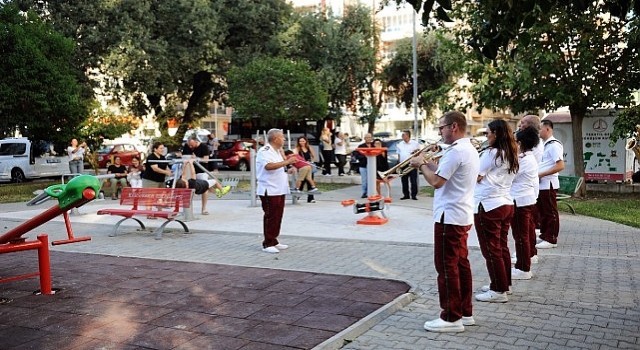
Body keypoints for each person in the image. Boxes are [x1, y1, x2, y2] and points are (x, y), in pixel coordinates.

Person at [409, 111, 479, 333]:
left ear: (454, 127)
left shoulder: (456, 152)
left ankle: (451, 317)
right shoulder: (468, 149)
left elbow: (437, 182)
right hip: (461, 214)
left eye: (441, 127)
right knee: (461, 265)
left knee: (446, 267)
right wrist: (424, 163)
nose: (439, 132)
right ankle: (465, 312)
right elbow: (441, 174)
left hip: (449, 216)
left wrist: (421, 165)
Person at [474, 120, 519, 303]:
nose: (486, 136)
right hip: (505, 202)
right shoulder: (512, 152)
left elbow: (474, 176)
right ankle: (503, 283)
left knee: (491, 250)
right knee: (501, 247)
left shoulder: (491, 153)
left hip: (489, 204)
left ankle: (498, 290)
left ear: (496, 134)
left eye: (488, 133)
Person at [256, 129, 298, 253]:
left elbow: (279, 166)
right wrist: (287, 162)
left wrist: (288, 169)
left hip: (279, 188)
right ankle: (267, 243)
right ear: (275, 139)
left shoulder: (278, 151)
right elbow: (268, 166)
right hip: (269, 189)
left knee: (278, 216)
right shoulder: (265, 151)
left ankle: (274, 240)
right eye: (282, 137)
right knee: (271, 216)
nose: (284, 139)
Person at [510, 127, 540, 280]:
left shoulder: (525, 160)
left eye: (514, 141)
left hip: (521, 200)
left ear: (520, 143)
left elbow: (510, 175)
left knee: (520, 236)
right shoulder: (525, 157)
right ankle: (525, 261)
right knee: (524, 234)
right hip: (522, 199)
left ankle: (523, 268)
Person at [536, 120, 565, 249]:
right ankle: (544, 234)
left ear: (547, 129)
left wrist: (542, 174)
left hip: (548, 183)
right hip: (542, 184)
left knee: (550, 212)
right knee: (543, 212)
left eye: (540, 129)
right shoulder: (545, 145)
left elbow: (560, 165)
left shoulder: (554, 145)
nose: (538, 131)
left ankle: (551, 238)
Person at [180, 136, 212, 214]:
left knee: (205, 188)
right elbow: (184, 156)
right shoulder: (187, 146)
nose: (190, 147)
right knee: (187, 188)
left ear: (196, 141)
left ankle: (204, 208)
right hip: (189, 171)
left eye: (192, 145)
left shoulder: (204, 147)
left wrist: (196, 158)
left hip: (201, 170)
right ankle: (187, 209)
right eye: (189, 145)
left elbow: (206, 160)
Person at [397, 130, 422, 200]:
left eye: (403, 135)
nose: (402, 136)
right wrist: (399, 164)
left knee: (413, 180)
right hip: (403, 164)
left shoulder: (415, 143)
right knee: (404, 180)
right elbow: (399, 154)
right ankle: (406, 195)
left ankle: (414, 195)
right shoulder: (400, 144)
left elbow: (419, 153)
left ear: (408, 135)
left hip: (412, 163)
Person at [294, 136, 318, 203]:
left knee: (309, 181)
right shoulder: (297, 149)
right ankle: (297, 196)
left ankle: (311, 198)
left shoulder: (309, 147)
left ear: (306, 141)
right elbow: (295, 157)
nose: (301, 142)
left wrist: (311, 162)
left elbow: (314, 156)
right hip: (302, 167)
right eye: (300, 141)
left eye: (303, 141)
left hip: (309, 166)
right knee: (301, 181)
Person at [356, 134, 374, 198]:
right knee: (364, 181)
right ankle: (364, 193)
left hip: (372, 166)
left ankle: (372, 193)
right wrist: (365, 156)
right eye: (367, 137)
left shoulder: (374, 145)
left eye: (370, 137)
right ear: (364, 138)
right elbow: (357, 156)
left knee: (372, 180)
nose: (369, 139)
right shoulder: (361, 146)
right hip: (363, 166)